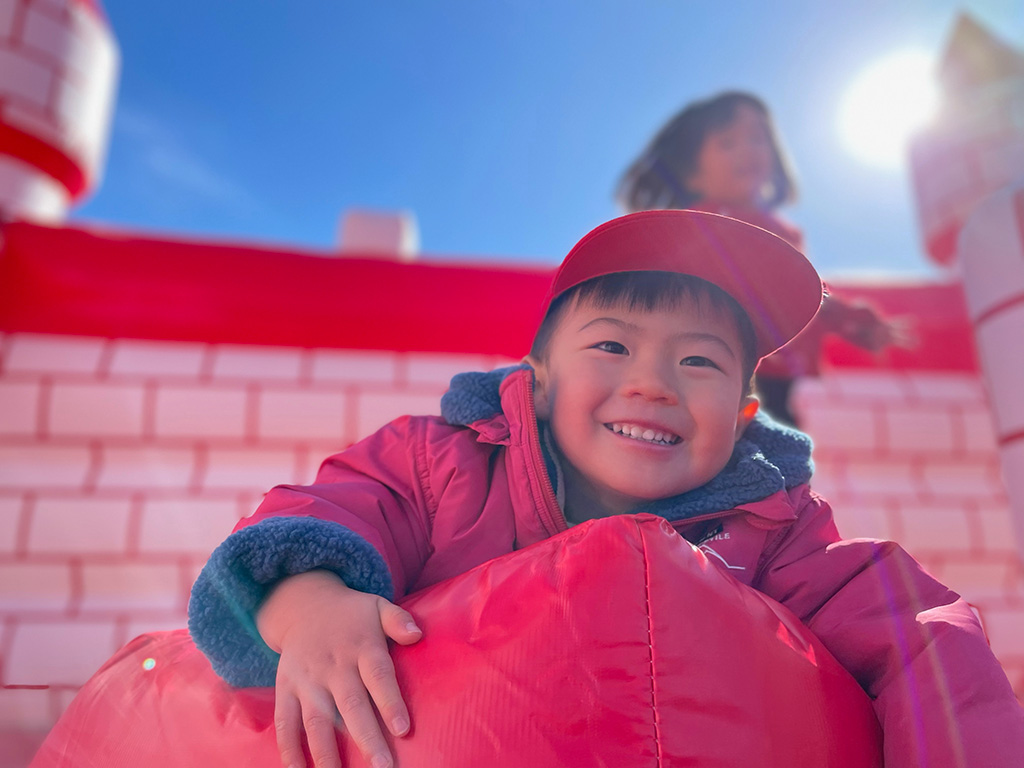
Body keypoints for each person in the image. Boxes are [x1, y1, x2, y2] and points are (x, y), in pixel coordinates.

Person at [188, 210, 1024, 768]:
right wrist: (310, 603)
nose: (654, 384)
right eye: (614, 349)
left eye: (698, 361)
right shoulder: (445, 466)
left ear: (739, 415)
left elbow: (918, 632)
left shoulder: (771, 532)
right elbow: (325, 512)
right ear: (540, 382)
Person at [616, 91, 904, 425]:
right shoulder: (699, 223)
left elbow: (810, 295)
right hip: (725, 372)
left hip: (785, 379)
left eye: (758, 138)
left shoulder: (785, 233)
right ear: (693, 175)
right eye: (727, 142)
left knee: (783, 458)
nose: (748, 149)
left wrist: (856, 323)